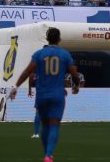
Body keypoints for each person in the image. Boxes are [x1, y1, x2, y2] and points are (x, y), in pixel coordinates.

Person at [9, 27, 83, 162]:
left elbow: (27, 72)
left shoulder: (39, 54)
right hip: (57, 95)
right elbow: (74, 74)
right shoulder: (65, 54)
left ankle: (47, 154)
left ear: (47, 39)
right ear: (59, 39)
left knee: (45, 125)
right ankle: (48, 155)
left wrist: (15, 87)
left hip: (42, 95)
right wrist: (76, 86)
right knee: (54, 125)